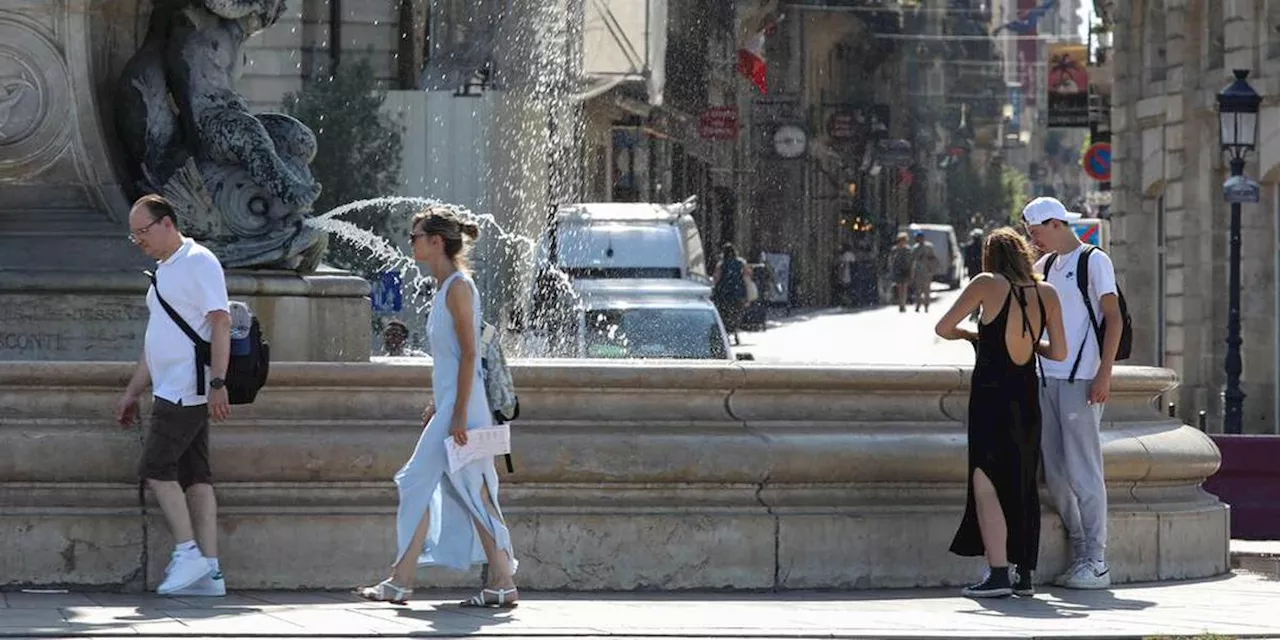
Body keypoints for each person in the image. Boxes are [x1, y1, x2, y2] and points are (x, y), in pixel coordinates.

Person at [358, 207, 519, 608]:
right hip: (453, 405)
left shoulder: (459, 288)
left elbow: (469, 355)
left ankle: (495, 579)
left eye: (415, 236)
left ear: (436, 242)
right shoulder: (446, 287)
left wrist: (458, 415)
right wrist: (441, 403)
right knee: (448, 486)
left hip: (465, 410)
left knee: (468, 490)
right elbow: (452, 360)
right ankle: (406, 579)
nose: (410, 242)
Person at [935, 227, 1067, 598]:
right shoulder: (1048, 293)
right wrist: (1030, 344)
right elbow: (1058, 352)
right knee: (1023, 481)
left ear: (991, 257)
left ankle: (996, 574)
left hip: (991, 396)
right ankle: (1024, 575)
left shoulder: (986, 284)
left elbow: (943, 328)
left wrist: (975, 337)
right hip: (1026, 396)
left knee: (986, 483)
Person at [115, 194, 231, 597]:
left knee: (156, 468)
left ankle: (188, 553)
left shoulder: (198, 261)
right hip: (172, 388)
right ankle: (211, 572)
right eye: (134, 236)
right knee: (196, 477)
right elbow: (156, 342)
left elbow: (220, 322)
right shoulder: (165, 270)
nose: (140, 241)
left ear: (167, 223)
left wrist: (218, 382)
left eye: (143, 232)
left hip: (187, 389)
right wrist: (132, 393)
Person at [1022, 196, 1123, 590]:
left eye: (1037, 232)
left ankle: (1096, 560)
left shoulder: (1093, 260)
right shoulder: (1044, 266)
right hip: (1045, 377)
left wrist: (1104, 374)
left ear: (1056, 223)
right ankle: (1080, 549)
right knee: (1057, 472)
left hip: (1082, 378)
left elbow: (1112, 318)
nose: (1035, 240)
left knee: (1084, 470)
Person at [712, 243, 753, 346]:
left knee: (724, 315)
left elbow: (716, 278)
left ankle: (726, 335)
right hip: (738, 293)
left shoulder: (721, 264)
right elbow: (747, 275)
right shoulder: (741, 263)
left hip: (723, 294)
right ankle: (735, 333)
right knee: (736, 314)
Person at [910, 231, 939, 312]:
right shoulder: (915, 248)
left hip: (927, 270)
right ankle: (918, 305)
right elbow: (912, 259)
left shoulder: (929, 247)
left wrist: (931, 267)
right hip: (918, 271)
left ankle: (926, 305)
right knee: (918, 290)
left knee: (926, 289)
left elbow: (934, 258)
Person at [888, 233, 912, 312]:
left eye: (904, 240)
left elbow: (910, 260)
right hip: (897, 270)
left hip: (905, 270)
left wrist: (910, 270)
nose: (902, 242)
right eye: (901, 240)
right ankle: (900, 304)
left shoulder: (908, 249)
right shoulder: (894, 249)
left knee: (904, 287)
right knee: (899, 288)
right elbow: (891, 260)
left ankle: (903, 304)